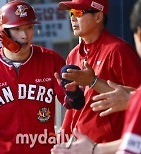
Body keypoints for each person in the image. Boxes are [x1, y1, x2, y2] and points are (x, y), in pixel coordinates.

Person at [0, 1, 83, 153]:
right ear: (3, 31)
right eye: (17, 29)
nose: (24, 35)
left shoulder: (50, 60)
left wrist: (74, 94)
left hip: (41, 149)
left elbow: (71, 103)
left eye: (29, 27)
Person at [51, 0, 141, 153]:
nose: (72, 18)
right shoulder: (74, 54)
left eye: (78, 13)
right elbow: (74, 108)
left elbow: (137, 98)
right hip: (82, 146)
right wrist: (62, 140)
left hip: (111, 147)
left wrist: (92, 82)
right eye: (71, 13)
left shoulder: (118, 50)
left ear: (98, 16)